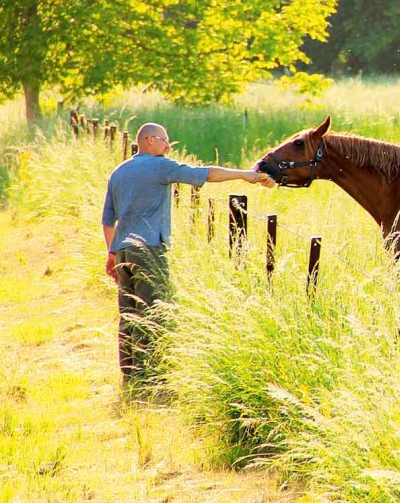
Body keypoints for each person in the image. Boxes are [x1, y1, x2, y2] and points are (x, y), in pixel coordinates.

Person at [102, 121, 273, 384]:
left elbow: (108, 219)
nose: (168, 145)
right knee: (153, 311)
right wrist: (243, 174)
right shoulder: (160, 166)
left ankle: (131, 375)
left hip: (123, 252)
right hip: (149, 250)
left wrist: (112, 254)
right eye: (164, 139)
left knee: (128, 313)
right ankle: (152, 377)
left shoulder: (118, 172)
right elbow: (203, 174)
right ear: (149, 140)